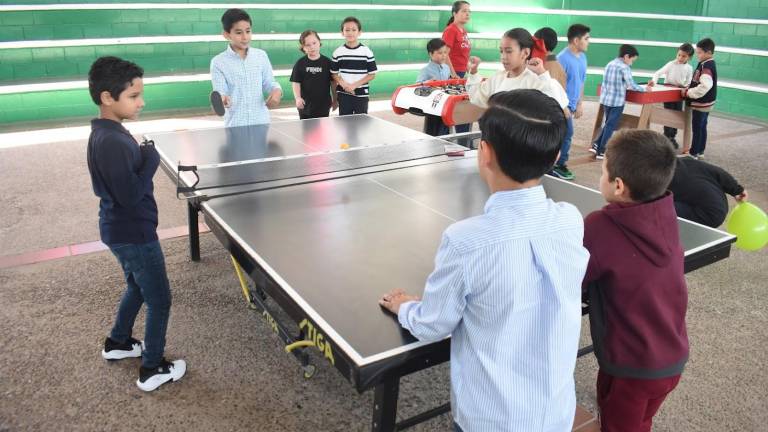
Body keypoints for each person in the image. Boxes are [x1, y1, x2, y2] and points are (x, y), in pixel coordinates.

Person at [379, 89, 589, 432]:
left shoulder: (465, 240)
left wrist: (404, 307)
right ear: (554, 158)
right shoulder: (570, 219)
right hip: (555, 413)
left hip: (490, 419)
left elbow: (433, 325)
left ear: (484, 152)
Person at [87, 56, 186, 392]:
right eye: (133, 96)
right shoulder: (113, 141)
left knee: (137, 287)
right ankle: (152, 368)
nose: (141, 101)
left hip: (119, 230)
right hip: (135, 233)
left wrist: (141, 157)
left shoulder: (106, 132)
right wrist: (150, 160)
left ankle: (118, 342)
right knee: (159, 299)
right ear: (107, 97)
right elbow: (130, 195)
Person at [582, 129, 687, 432]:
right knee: (641, 420)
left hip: (632, 368)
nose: (599, 177)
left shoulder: (600, 225)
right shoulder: (666, 211)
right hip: (672, 357)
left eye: (602, 171)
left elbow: (574, 277)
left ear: (618, 185)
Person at [465, 28, 569, 111]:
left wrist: (542, 74)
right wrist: (474, 72)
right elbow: (477, 97)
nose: (503, 57)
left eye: (509, 51)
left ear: (525, 53)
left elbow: (558, 103)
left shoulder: (536, 80)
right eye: (501, 51)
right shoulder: (498, 78)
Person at [210, 8, 282, 127]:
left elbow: (269, 83)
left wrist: (277, 91)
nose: (245, 37)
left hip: (261, 124)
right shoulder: (218, 62)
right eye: (239, 32)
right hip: (235, 126)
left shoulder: (261, 56)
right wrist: (222, 100)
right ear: (226, 34)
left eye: (248, 31)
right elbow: (221, 92)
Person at [592, 44, 645, 159]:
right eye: (632, 60)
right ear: (626, 56)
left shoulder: (610, 64)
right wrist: (645, 88)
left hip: (606, 99)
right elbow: (631, 85)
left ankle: (596, 144)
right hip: (617, 101)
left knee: (607, 123)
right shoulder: (624, 68)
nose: (632, 63)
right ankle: (602, 150)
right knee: (611, 125)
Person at [554, 23, 590, 180]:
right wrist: (564, 107)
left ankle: (554, 163)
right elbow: (556, 86)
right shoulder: (562, 59)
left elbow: (581, 81)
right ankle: (559, 165)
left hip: (572, 104)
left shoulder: (583, 57)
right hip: (561, 106)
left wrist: (580, 103)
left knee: (564, 134)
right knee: (567, 134)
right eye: (586, 39)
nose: (589, 42)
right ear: (576, 40)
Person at [669, 156, 748, 227]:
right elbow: (718, 172)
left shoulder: (660, 177)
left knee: (660, 206)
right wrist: (737, 190)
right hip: (717, 203)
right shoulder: (687, 161)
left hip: (710, 215)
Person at [648, 43, 694, 148]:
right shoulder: (671, 64)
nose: (680, 58)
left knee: (676, 115)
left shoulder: (689, 68)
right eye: (679, 55)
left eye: (684, 56)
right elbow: (657, 73)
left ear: (689, 57)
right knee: (668, 114)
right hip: (668, 92)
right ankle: (666, 137)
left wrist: (686, 87)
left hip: (679, 93)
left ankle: (672, 137)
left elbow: (689, 81)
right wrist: (654, 82)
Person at [331, 16, 377, 115]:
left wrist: (354, 86)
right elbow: (334, 74)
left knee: (361, 122)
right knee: (344, 122)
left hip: (361, 94)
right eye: (347, 30)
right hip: (343, 94)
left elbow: (372, 74)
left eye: (353, 30)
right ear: (342, 33)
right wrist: (345, 86)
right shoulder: (338, 52)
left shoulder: (367, 52)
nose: (350, 32)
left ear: (359, 32)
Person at [682, 38, 718, 158]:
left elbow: (705, 86)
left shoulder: (706, 66)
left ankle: (693, 153)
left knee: (697, 128)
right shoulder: (707, 63)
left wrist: (688, 93)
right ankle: (701, 151)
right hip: (707, 103)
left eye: (699, 53)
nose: (697, 55)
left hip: (702, 103)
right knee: (702, 127)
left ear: (709, 53)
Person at [290, 29, 337, 119]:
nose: (312, 47)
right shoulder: (300, 63)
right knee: (307, 132)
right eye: (308, 45)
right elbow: (296, 82)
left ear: (319, 42)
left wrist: (335, 99)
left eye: (314, 43)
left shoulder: (328, 63)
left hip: (323, 106)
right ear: (303, 48)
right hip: (305, 106)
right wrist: (298, 98)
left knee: (321, 132)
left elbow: (333, 83)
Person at [442, 1, 472, 133]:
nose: (467, 14)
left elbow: (463, 53)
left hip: (462, 74)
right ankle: (460, 140)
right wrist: (453, 74)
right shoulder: (450, 30)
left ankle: (463, 139)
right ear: (455, 13)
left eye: (469, 11)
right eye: (464, 11)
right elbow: (445, 55)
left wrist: (469, 65)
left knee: (463, 108)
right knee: (459, 108)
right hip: (453, 75)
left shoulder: (464, 31)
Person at [417, 38, 452, 136]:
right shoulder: (425, 70)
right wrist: (426, 83)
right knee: (432, 131)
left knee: (445, 129)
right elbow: (417, 87)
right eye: (440, 53)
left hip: (445, 104)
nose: (444, 55)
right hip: (432, 106)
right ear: (431, 54)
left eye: (445, 52)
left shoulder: (446, 68)